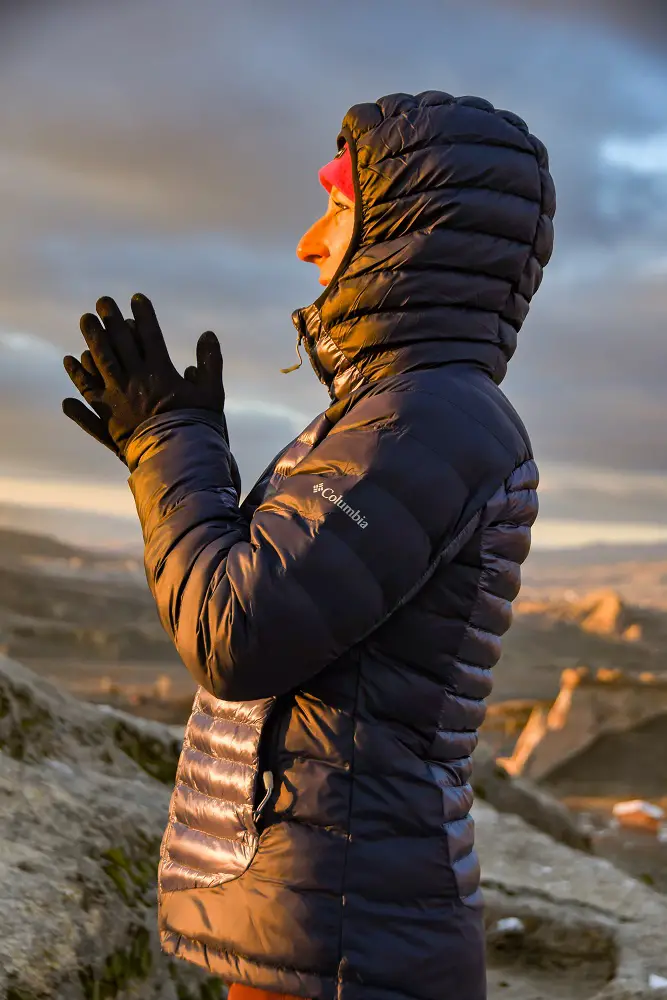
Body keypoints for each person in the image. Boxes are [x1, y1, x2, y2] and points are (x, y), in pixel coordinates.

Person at [62, 90, 556, 1000]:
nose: (307, 242)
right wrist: (169, 443)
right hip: (334, 909)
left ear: (412, 232)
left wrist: (172, 446)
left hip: (345, 936)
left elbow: (238, 631)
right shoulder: (397, 413)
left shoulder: (427, 420)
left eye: (336, 207)